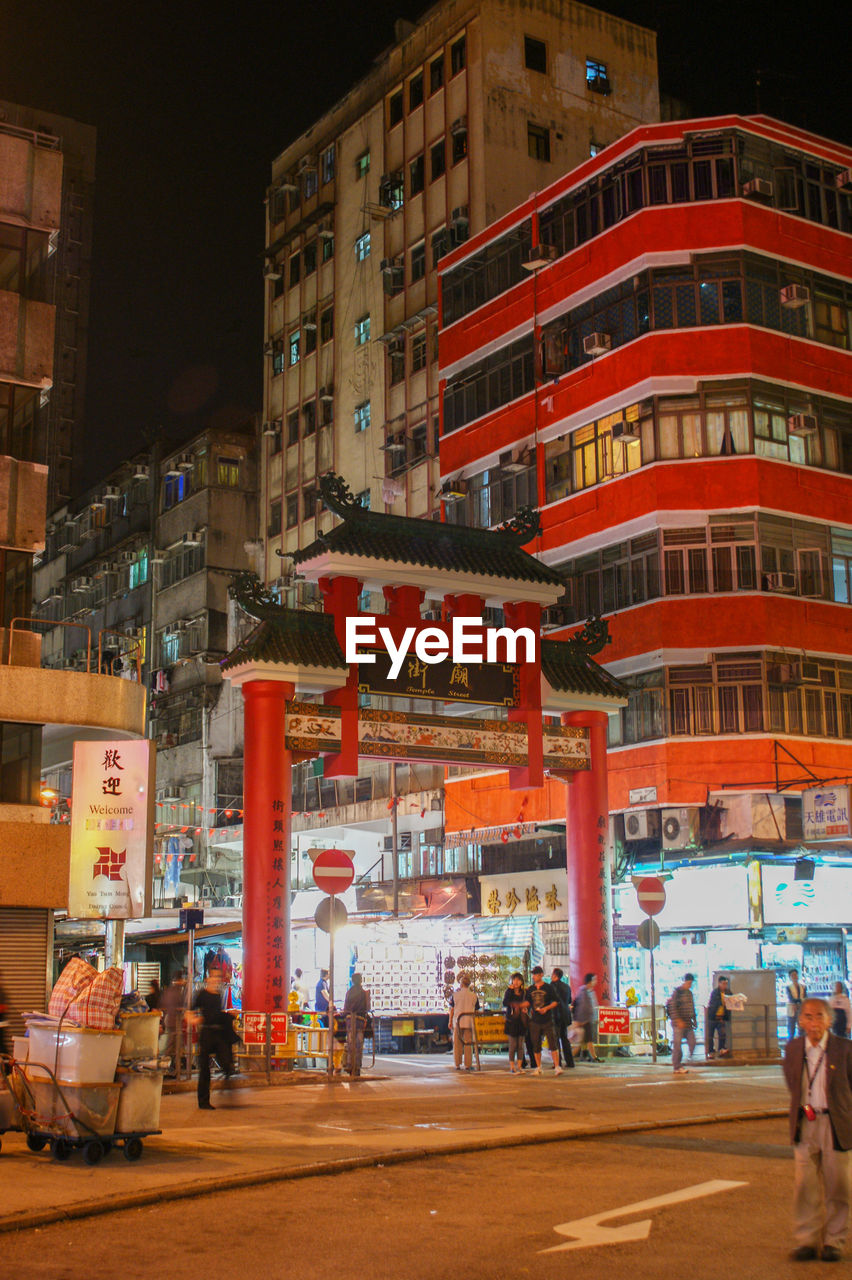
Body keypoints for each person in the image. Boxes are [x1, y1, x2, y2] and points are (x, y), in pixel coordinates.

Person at [782, 997, 852, 1262]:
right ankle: (806, 1240)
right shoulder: (793, 1048)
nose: (814, 1023)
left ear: (830, 1020)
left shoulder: (845, 1049)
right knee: (805, 1187)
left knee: (839, 1187)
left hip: (836, 1124)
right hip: (805, 1122)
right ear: (800, 1020)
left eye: (820, 1016)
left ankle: (834, 1241)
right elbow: (792, 1084)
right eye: (808, 1017)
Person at [186, 966, 239, 1110]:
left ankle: (226, 1081)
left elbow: (216, 1014)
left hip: (218, 1034)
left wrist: (228, 1015)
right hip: (206, 1034)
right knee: (204, 1069)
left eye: (218, 978)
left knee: (226, 1062)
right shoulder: (201, 994)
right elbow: (189, 1012)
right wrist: (196, 1020)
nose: (216, 980)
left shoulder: (218, 995)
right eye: (214, 977)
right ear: (208, 978)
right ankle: (203, 1102)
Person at [525, 966, 562, 1075]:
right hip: (535, 1021)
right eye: (533, 974)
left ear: (541, 975)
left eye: (535, 974)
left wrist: (546, 1008)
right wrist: (523, 1007)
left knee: (553, 1043)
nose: (533, 976)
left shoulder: (548, 987)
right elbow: (528, 1002)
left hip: (547, 1020)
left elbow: (556, 1001)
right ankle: (538, 1067)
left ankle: (557, 1066)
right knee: (536, 1044)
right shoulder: (531, 989)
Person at [448, 973, 479, 1070]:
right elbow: (477, 1010)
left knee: (457, 1043)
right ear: (469, 984)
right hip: (469, 1022)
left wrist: (450, 1021)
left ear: (461, 984)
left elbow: (452, 1009)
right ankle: (468, 1064)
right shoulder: (474, 996)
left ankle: (457, 1064)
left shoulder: (455, 995)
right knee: (468, 1044)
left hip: (458, 1021)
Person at [668, 973, 697, 1074]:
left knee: (692, 1042)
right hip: (678, 1024)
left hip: (688, 1023)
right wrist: (677, 1020)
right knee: (677, 1045)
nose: (690, 985)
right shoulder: (677, 992)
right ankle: (677, 1066)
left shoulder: (689, 993)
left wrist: (694, 1019)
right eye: (689, 982)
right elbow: (673, 1007)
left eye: (691, 983)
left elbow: (692, 1007)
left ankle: (687, 1059)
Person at [342, 974, 370, 1077]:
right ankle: (357, 1067)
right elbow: (367, 1007)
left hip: (350, 1021)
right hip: (359, 1020)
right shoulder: (364, 993)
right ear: (361, 980)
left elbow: (345, 1008)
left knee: (350, 1044)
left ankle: (350, 1064)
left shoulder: (349, 992)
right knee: (358, 1045)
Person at [160, 970, 187, 1077]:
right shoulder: (177, 992)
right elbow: (179, 1006)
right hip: (175, 1022)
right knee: (173, 1046)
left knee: (173, 1046)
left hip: (170, 1021)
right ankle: (170, 1069)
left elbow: (163, 1005)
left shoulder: (168, 991)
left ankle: (172, 1069)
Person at [502, 973, 529, 1073]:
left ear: (522, 982)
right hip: (511, 1021)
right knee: (513, 1045)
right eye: (514, 980)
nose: (516, 982)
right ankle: (512, 1067)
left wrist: (526, 1008)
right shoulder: (509, 992)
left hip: (522, 1021)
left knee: (520, 1046)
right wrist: (509, 990)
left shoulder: (525, 993)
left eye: (518, 980)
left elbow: (529, 1003)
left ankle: (520, 1066)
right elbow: (505, 1002)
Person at [551, 967, 575, 1069]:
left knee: (555, 1040)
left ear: (555, 975)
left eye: (552, 974)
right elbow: (569, 1000)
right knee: (565, 1039)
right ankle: (570, 1062)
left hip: (556, 1015)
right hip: (565, 1015)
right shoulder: (566, 987)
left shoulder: (551, 986)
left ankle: (558, 1062)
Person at [573, 973, 600, 1063]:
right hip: (584, 1020)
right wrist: (580, 1020)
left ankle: (584, 1056)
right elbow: (583, 1007)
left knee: (583, 1041)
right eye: (594, 979)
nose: (595, 981)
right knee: (588, 1040)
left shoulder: (590, 991)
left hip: (588, 1019)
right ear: (590, 981)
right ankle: (593, 1057)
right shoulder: (584, 992)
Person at [707, 974, 731, 1059]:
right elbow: (714, 1004)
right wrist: (722, 1001)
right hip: (713, 1017)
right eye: (723, 983)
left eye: (726, 983)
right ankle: (710, 1051)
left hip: (721, 1017)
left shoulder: (728, 992)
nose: (725, 985)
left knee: (722, 1034)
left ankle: (721, 1049)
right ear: (719, 983)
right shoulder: (715, 992)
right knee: (711, 1035)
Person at [787, 969, 806, 1040]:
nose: (795, 976)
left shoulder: (803, 987)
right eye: (792, 975)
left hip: (801, 1009)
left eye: (796, 974)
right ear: (790, 977)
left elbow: (805, 998)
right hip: (792, 1009)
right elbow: (791, 998)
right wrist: (800, 1000)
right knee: (791, 1029)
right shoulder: (788, 987)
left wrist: (799, 1001)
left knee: (802, 1028)